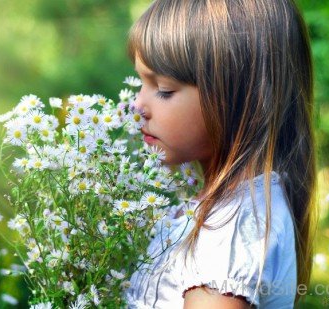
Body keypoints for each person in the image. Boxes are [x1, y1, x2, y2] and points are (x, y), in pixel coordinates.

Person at [125, 0, 317, 308]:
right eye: (140, 83)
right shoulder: (227, 210)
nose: (137, 106)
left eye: (163, 89)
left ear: (238, 99)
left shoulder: (231, 228)